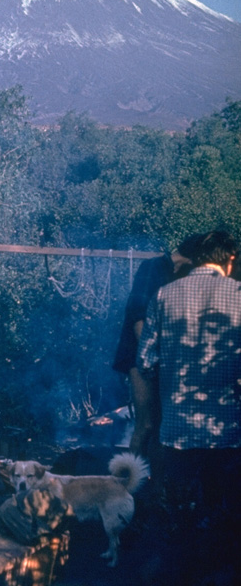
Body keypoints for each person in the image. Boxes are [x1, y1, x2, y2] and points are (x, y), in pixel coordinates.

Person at [137, 230, 241, 581]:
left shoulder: (164, 295)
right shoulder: (240, 296)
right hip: (227, 434)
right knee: (223, 516)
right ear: (230, 259)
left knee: (178, 517)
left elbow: (146, 361)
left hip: (177, 432)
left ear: (196, 258)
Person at [113, 235, 201, 460]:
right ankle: (129, 485)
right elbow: (138, 316)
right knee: (147, 423)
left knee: (162, 424)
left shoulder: (179, 276)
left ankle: (157, 486)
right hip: (139, 356)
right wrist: (151, 355)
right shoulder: (153, 267)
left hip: (163, 358)